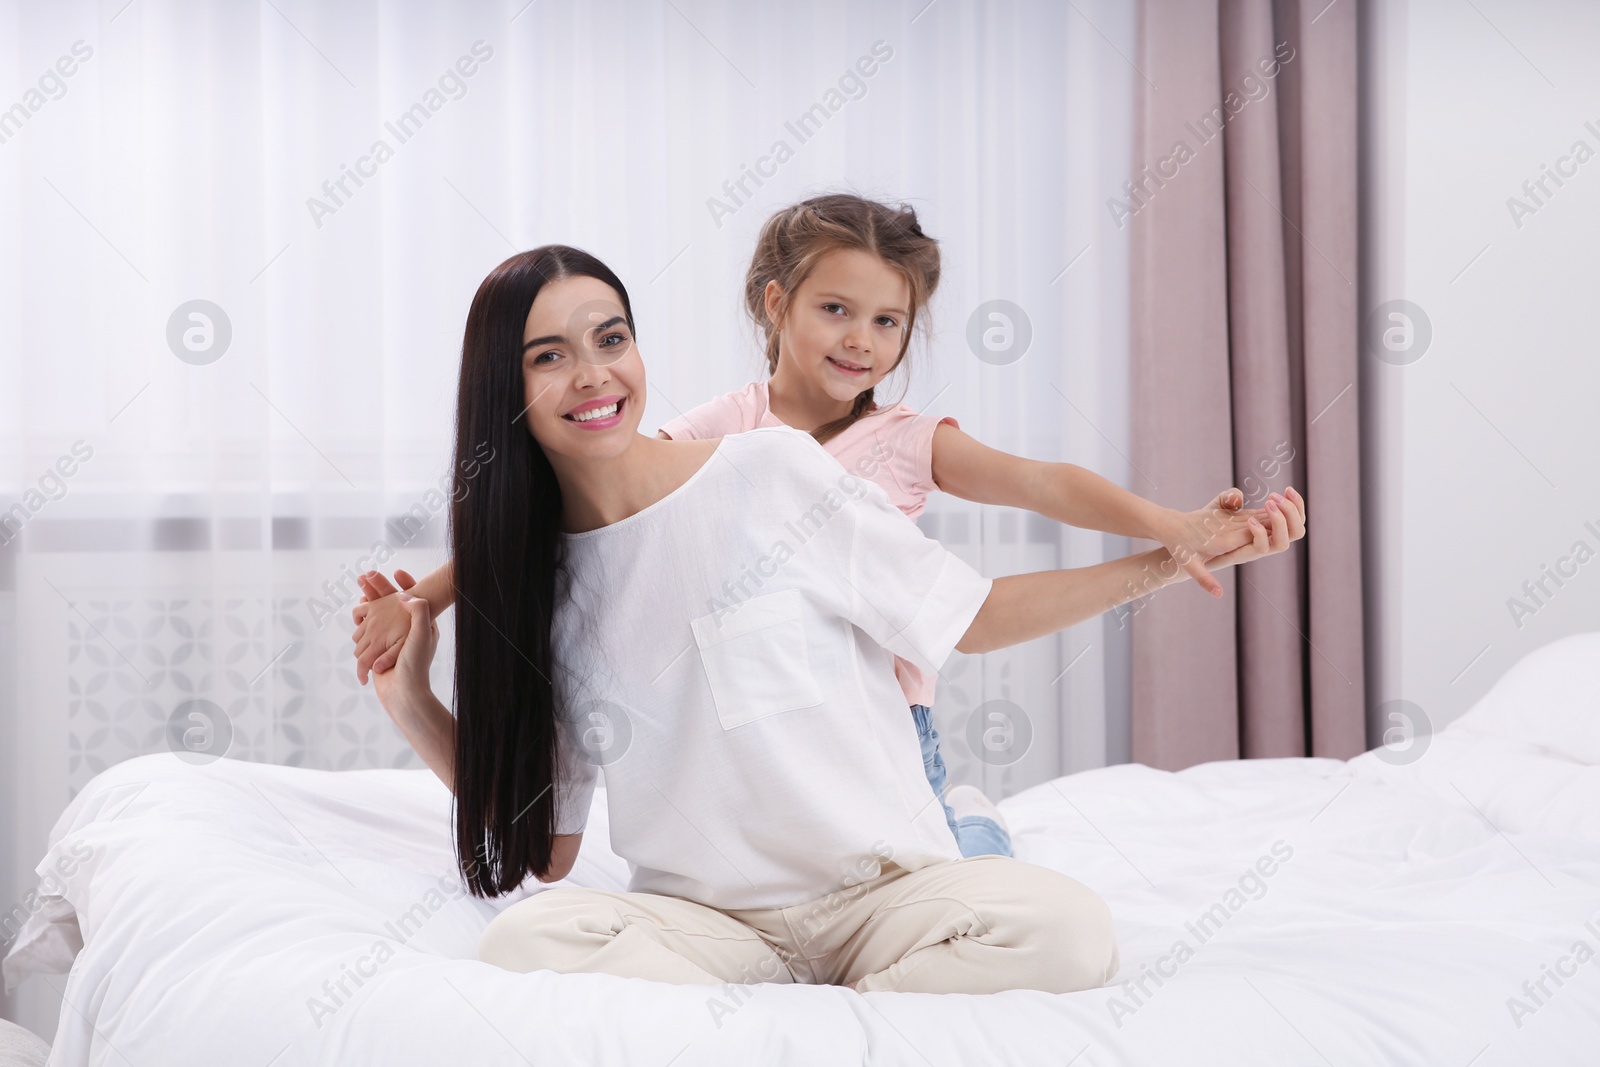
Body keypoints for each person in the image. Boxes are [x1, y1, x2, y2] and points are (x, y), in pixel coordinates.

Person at [354, 244, 1306, 995]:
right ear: (504, 393)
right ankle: (825, 999)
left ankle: (844, 975)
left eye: (611, 339)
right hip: (713, 922)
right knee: (531, 940)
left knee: (1065, 927)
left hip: (883, 895)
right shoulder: (537, 583)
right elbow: (547, 851)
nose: (593, 375)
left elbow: (968, 620)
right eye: (548, 357)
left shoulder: (770, 473)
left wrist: (1169, 559)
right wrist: (408, 698)